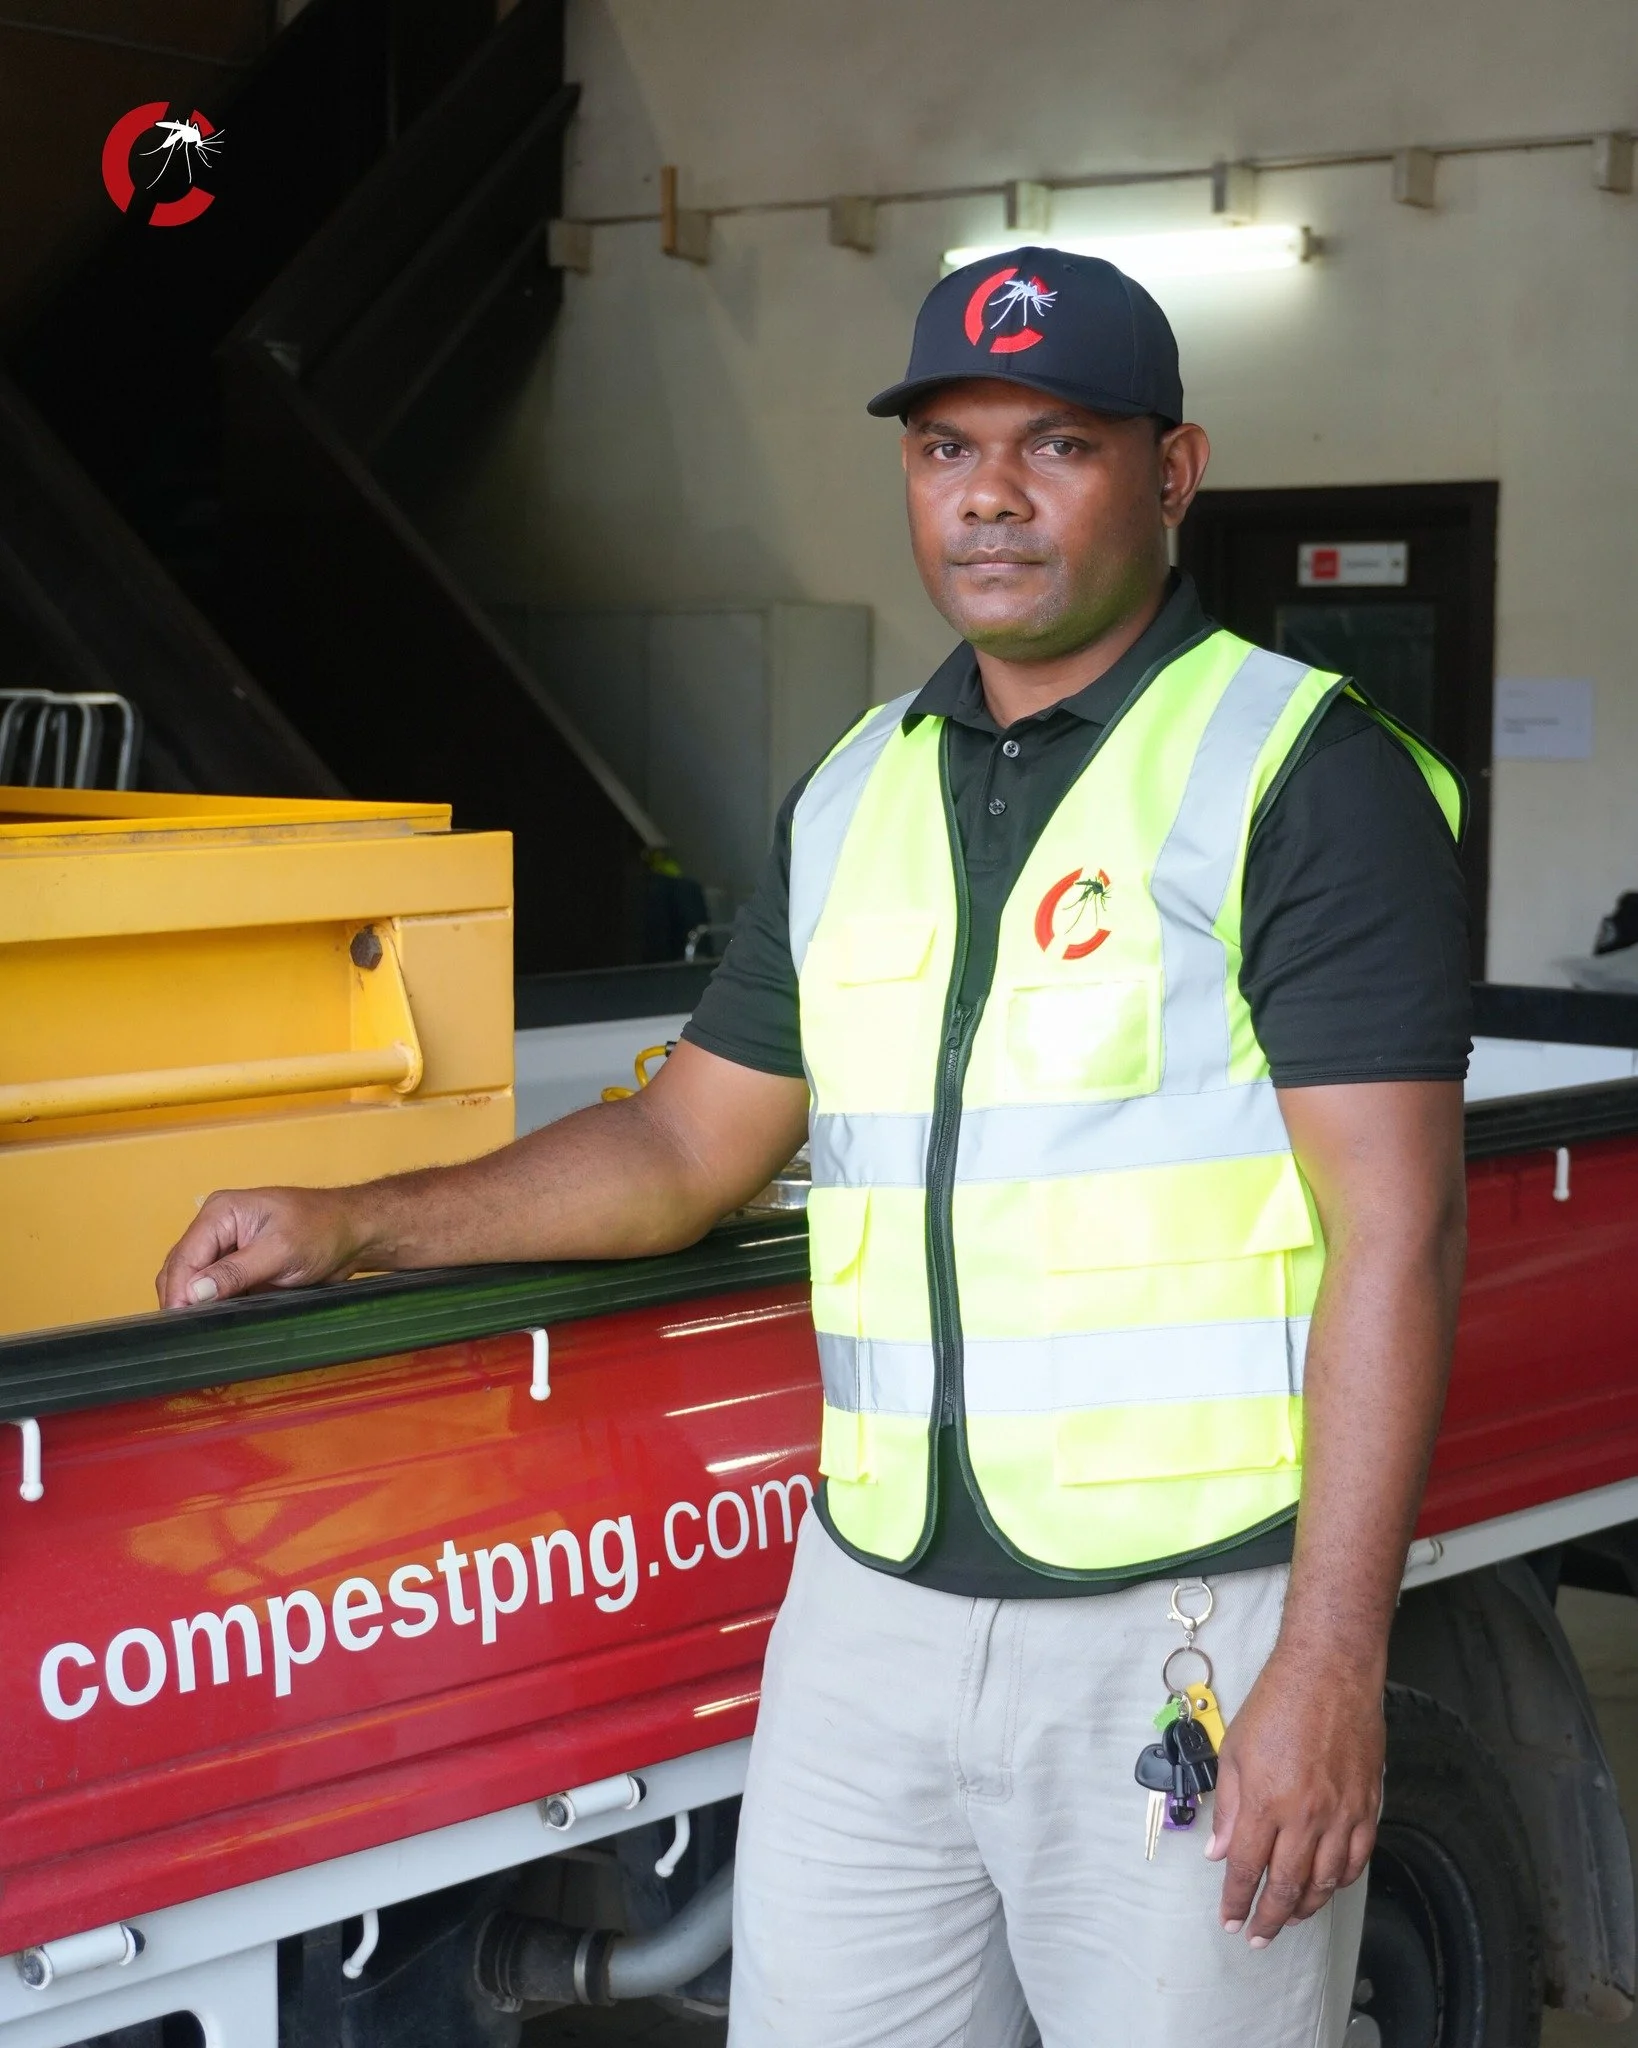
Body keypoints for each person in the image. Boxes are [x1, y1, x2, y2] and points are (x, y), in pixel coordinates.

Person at [158, 248, 1471, 2047]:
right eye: (943, 448)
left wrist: (1333, 1662)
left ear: (1171, 472)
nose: (988, 494)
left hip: (1182, 1629)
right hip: (869, 1618)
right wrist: (356, 1222)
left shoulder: (1296, 772)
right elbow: (688, 1144)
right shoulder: (854, 787)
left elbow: (1395, 1232)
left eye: (1055, 444)